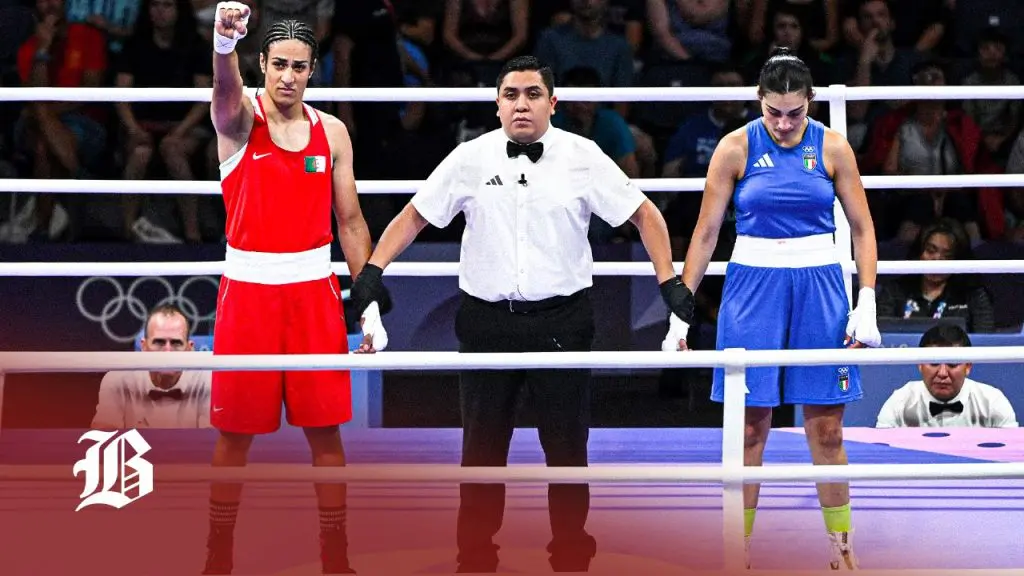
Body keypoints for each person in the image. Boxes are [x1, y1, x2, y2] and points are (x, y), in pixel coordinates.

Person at [348, 55, 686, 573]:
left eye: (532, 94)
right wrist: (372, 272)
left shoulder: (583, 155)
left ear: (553, 102)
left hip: (562, 321)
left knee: (567, 445)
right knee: (481, 446)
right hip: (488, 322)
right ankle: (476, 557)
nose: (521, 104)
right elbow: (414, 215)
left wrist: (668, 281)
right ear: (497, 102)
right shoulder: (471, 157)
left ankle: (572, 553)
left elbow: (645, 213)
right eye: (511, 94)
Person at [668, 47, 881, 570]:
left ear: (810, 103)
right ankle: (736, 552)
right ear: (758, 101)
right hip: (752, 286)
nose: (784, 124)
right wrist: (681, 308)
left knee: (826, 429)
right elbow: (706, 232)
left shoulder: (833, 148)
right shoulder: (734, 148)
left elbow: (862, 227)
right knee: (748, 427)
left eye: (795, 113)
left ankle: (842, 551)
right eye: (773, 112)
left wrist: (867, 300)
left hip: (820, 286)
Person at [202, 3, 389, 574]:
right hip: (249, 295)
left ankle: (336, 558)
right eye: (278, 63)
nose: (288, 76)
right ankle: (219, 558)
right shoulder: (238, 119)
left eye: (299, 66)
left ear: (313, 71)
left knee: (325, 432)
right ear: (261, 63)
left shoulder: (331, 131)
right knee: (235, 437)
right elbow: (223, 91)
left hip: (313, 292)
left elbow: (351, 222)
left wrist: (370, 301)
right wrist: (222, 43)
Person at [91, 303, 211, 429]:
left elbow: (212, 442)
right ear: (144, 347)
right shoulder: (117, 379)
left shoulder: (206, 381)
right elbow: (103, 438)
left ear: (189, 349)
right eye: (159, 342)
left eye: (176, 343)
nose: (167, 352)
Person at [876, 324, 1018, 428]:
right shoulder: (899, 402)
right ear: (919, 364)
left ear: (968, 366)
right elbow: (879, 455)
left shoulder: (992, 401)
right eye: (934, 363)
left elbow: (1013, 456)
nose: (942, 373)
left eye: (952, 364)